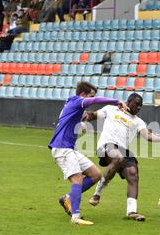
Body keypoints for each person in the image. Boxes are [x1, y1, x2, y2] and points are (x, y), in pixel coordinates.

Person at [83, 93, 160, 221]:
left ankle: (131, 212)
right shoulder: (111, 109)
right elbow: (94, 115)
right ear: (129, 101)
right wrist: (86, 116)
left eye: (140, 106)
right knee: (118, 158)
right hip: (106, 145)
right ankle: (97, 193)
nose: (138, 107)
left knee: (133, 174)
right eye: (136, 104)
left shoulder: (138, 121)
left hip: (122, 149)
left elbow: (148, 136)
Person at [48, 82, 128, 226]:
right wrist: (116, 101)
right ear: (83, 95)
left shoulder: (72, 104)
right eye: (90, 95)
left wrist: (82, 123)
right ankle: (76, 216)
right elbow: (95, 101)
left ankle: (68, 198)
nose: (92, 98)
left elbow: (74, 118)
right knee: (78, 179)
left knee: (96, 174)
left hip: (70, 149)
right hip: (62, 148)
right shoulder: (77, 101)